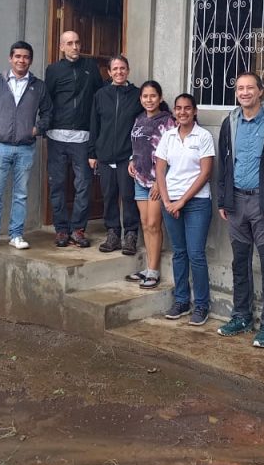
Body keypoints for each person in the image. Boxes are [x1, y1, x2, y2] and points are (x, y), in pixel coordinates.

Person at [216, 72, 264, 348]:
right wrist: (223, 200)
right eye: (240, 88)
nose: (245, 92)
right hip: (236, 203)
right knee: (240, 262)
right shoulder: (230, 122)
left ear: (261, 91)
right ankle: (241, 316)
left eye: (250, 87)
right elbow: (224, 165)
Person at [0, 40, 52, 252]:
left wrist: (36, 130)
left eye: (26, 57)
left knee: (20, 194)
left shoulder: (38, 86)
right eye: (17, 56)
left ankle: (16, 235)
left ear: (31, 60)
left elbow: (48, 113)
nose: (22, 60)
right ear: (11, 58)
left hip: (26, 148)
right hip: (0, 146)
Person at [155, 94, 215, 326]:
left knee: (196, 254)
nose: (182, 112)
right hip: (171, 202)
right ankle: (181, 301)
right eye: (178, 109)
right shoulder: (168, 136)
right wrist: (168, 201)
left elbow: (205, 173)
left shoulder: (204, 136)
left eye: (187, 108)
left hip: (197, 202)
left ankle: (201, 305)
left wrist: (181, 202)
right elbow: (160, 170)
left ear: (195, 111)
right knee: (179, 252)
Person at [44, 30, 104, 248]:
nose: (75, 47)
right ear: (61, 47)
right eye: (69, 43)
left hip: (83, 136)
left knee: (84, 184)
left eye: (77, 42)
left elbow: (100, 96)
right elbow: (46, 100)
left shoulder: (91, 68)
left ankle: (78, 229)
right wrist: (43, 126)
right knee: (57, 184)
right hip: (56, 136)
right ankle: (61, 229)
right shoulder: (53, 70)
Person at [88, 55, 143, 254]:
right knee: (109, 195)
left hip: (127, 156)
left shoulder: (137, 94)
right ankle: (112, 233)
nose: (119, 72)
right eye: (115, 69)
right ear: (109, 72)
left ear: (128, 70)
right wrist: (92, 152)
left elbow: (153, 113)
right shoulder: (101, 95)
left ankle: (130, 234)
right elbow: (95, 125)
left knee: (128, 195)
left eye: (123, 68)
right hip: (104, 155)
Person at [125, 81, 175, 289]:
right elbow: (138, 146)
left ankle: (154, 271)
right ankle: (147, 268)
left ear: (160, 98)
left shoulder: (168, 122)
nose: (149, 100)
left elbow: (172, 154)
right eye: (145, 96)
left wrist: (159, 182)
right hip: (140, 179)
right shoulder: (139, 119)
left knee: (154, 224)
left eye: (153, 96)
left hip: (156, 182)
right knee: (145, 224)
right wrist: (131, 160)